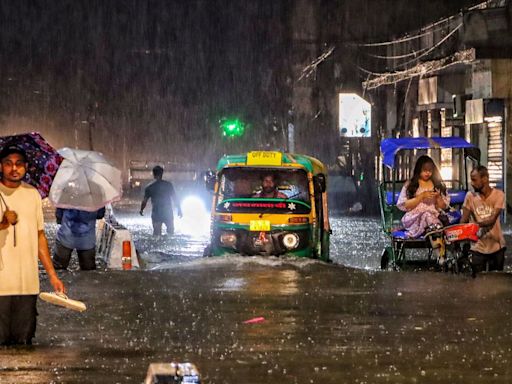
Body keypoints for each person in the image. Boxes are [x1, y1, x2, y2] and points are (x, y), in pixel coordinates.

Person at [0, 146, 65, 346]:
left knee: (24, 343)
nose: (14, 168)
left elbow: (39, 237)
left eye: (19, 164)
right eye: (8, 163)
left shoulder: (33, 195)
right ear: (0, 166)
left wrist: (52, 275)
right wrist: (2, 223)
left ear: (26, 167)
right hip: (1, 284)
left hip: (27, 283)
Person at [461, 165, 506, 272]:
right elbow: (464, 220)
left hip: (496, 246)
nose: (472, 183)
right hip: (477, 247)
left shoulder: (499, 195)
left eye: (474, 180)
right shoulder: (470, 196)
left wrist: (475, 226)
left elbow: (492, 219)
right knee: (477, 283)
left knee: (496, 283)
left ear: (485, 179)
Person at [397, 155, 450, 238]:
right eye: (425, 170)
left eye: (430, 170)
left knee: (430, 215)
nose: (428, 173)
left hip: (433, 215)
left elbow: (443, 206)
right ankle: (433, 231)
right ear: (419, 169)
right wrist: (421, 196)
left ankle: (435, 233)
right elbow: (405, 205)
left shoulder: (436, 185)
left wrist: (438, 197)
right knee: (426, 215)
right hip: (414, 217)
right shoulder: (411, 184)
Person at [140, 166, 182, 236]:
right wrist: (179, 209)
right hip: (167, 212)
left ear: (153, 174)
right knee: (171, 233)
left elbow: (144, 201)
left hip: (156, 213)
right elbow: (175, 198)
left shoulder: (149, 187)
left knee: (157, 235)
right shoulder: (168, 185)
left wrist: (141, 210)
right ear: (162, 174)